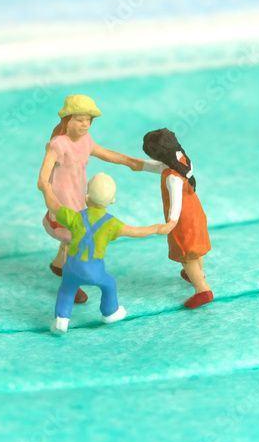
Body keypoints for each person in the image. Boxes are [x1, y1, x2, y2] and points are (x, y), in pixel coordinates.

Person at [37, 95, 148, 304]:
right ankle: (71, 283)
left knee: (70, 238)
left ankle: (58, 264)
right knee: (75, 238)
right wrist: (50, 197)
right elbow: (42, 180)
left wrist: (130, 162)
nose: (85, 124)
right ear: (68, 120)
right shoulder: (58, 145)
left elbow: (107, 154)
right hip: (63, 200)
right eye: (80, 120)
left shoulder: (86, 141)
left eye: (88, 120)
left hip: (79, 196)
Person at [43, 172, 173, 334]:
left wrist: (46, 189)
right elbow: (137, 231)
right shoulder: (113, 224)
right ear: (112, 201)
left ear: (87, 197)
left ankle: (61, 320)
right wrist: (161, 228)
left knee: (67, 289)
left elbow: (54, 205)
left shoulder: (75, 217)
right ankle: (110, 312)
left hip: (71, 267)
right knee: (109, 284)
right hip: (94, 271)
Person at [142, 128, 214, 309]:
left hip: (183, 219)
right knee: (196, 248)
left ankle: (202, 289)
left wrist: (171, 223)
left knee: (186, 254)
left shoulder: (173, 178)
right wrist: (134, 163)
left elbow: (175, 202)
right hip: (196, 212)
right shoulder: (182, 160)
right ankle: (198, 274)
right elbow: (156, 166)